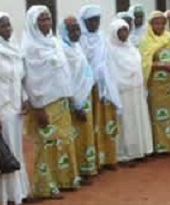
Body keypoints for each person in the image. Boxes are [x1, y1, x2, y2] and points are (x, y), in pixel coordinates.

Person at [22, 5, 79, 196]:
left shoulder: (54, 41)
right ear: (33, 23)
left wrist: (69, 97)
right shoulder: (30, 47)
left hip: (61, 102)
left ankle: (64, 180)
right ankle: (44, 187)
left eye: (48, 18)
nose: (46, 23)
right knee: (45, 146)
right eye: (41, 20)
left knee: (63, 142)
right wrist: (38, 108)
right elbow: (31, 80)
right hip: (44, 105)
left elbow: (63, 72)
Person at [0, 12, 30, 205]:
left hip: (15, 108)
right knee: (2, 150)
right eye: (3, 26)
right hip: (0, 110)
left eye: (9, 25)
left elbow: (18, 78)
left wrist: (24, 98)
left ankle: (16, 194)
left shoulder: (13, 48)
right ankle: (2, 197)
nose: (8, 29)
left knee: (15, 150)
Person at [79, 5, 122, 170]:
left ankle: (106, 159)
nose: (95, 23)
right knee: (89, 126)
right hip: (86, 88)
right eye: (91, 20)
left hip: (104, 88)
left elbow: (108, 63)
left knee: (104, 123)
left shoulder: (102, 38)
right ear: (84, 21)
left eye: (97, 20)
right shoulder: (80, 40)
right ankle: (91, 162)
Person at [140, 11, 170, 154]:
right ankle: (162, 147)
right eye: (156, 23)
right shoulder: (146, 41)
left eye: (162, 23)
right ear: (150, 25)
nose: (160, 26)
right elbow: (144, 64)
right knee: (159, 115)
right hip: (157, 85)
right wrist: (163, 66)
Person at [58, 15, 98, 184]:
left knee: (86, 135)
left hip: (85, 96)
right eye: (71, 30)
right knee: (73, 138)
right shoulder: (62, 49)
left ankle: (86, 168)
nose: (76, 33)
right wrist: (75, 103)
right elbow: (66, 79)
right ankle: (76, 173)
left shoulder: (76, 47)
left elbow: (85, 71)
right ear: (63, 31)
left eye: (77, 29)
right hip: (72, 101)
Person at [108, 19, 154, 165]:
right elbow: (111, 72)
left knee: (138, 120)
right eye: (120, 31)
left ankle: (140, 150)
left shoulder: (132, 48)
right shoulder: (110, 50)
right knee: (126, 124)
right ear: (114, 33)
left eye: (126, 30)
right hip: (122, 92)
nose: (124, 34)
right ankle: (125, 154)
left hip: (136, 90)